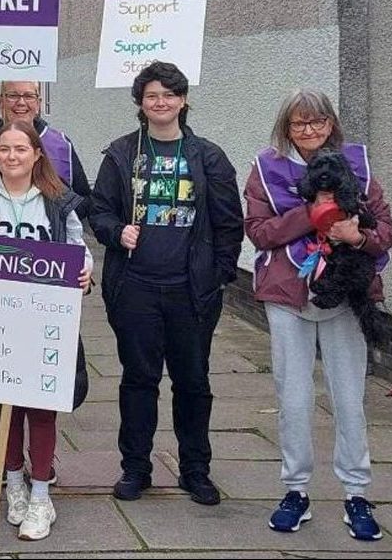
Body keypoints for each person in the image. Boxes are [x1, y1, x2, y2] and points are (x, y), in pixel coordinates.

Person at [244, 89, 392, 540]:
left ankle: (356, 493)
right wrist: (311, 215)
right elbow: (259, 232)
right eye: (299, 123)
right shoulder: (266, 168)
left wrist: (357, 236)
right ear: (286, 128)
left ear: (331, 124)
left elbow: (387, 229)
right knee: (293, 398)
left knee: (349, 397)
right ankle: (296, 490)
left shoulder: (357, 163)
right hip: (288, 295)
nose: (309, 130)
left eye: (317, 121)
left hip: (347, 294)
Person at [88, 61, 243, 505]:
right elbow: (99, 210)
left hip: (191, 292)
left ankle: (196, 470)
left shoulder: (208, 157)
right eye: (152, 95)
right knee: (139, 380)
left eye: (169, 95)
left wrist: (219, 276)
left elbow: (229, 223)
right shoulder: (122, 154)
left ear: (183, 100)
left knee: (193, 382)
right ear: (140, 103)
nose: (161, 102)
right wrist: (116, 232)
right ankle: (136, 468)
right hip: (135, 287)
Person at [0, 121, 92, 540]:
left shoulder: (58, 200)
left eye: (20, 149)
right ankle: (13, 485)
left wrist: (85, 272)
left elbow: (79, 250)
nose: (12, 156)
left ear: (36, 154)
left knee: (43, 409)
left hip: (44, 320)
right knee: (6, 409)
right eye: (5, 149)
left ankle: (41, 495)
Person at [0, 81, 92, 219]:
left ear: (38, 103)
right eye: (13, 95)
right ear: (0, 102)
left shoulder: (62, 145)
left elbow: (84, 200)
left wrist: (56, 217)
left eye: (29, 96)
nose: (21, 102)